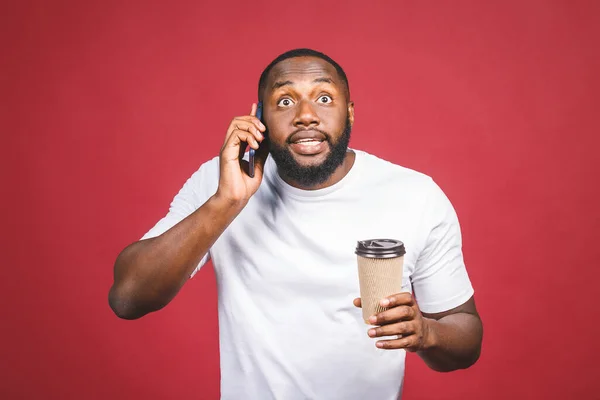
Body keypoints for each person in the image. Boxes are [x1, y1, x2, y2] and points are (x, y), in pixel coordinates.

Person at [109, 48, 483, 400]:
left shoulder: (415, 195)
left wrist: (427, 333)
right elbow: (128, 297)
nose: (306, 114)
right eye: (285, 101)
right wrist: (228, 202)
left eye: (324, 98)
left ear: (349, 113)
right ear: (259, 118)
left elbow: (465, 335)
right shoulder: (221, 183)